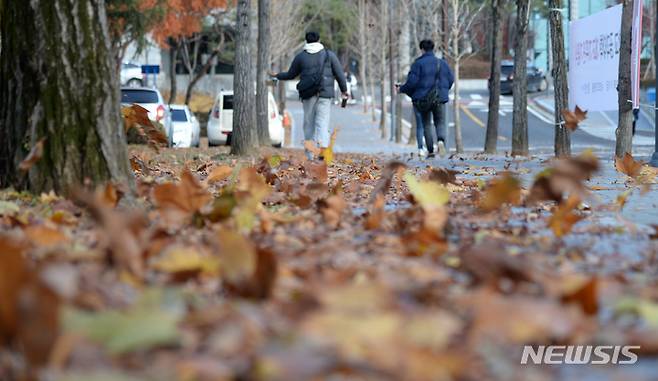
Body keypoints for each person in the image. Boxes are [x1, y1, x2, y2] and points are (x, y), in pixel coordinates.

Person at [271, 31, 348, 160]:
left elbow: (291, 75)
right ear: (319, 39)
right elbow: (339, 74)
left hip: (308, 95)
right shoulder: (329, 55)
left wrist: (278, 75)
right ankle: (322, 151)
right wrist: (344, 91)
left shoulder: (301, 57)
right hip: (325, 94)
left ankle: (310, 154)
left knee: (308, 123)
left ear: (306, 40)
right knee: (322, 123)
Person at [397, 39, 454, 158]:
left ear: (422, 49)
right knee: (440, 122)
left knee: (425, 124)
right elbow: (450, 79)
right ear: (433, 48)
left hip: (422, 99)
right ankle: (441, 141)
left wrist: (401, 89)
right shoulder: (442, 63)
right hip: (439, 97)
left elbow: (412, 83)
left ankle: (429, 150)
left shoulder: (418, 64)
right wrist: (443, 90)